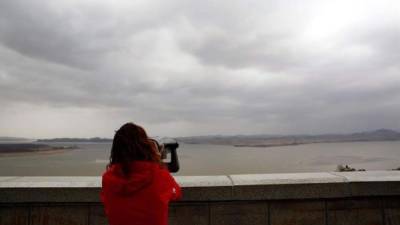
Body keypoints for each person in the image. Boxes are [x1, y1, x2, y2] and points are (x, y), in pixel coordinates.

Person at [100, 122, 182, 225]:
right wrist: (157, 159)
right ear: (145, 146)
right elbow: (176, 193)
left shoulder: (107, 179)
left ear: (116, 150)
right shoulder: (159, 175)